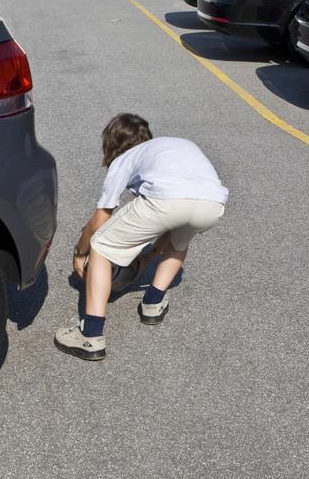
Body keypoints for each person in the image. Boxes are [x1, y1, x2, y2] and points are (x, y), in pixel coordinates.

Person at [54, 113, 229, 361]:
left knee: (102, 247)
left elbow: (101, 218)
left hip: (169, 200)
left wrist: (80, 252)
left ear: (112, 145)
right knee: (179, 241)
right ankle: (153, 304)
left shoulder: (124, 159)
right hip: (213, 203)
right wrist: (147, 257)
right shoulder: (168, 148)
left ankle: (90, 336)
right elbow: (172, 217)